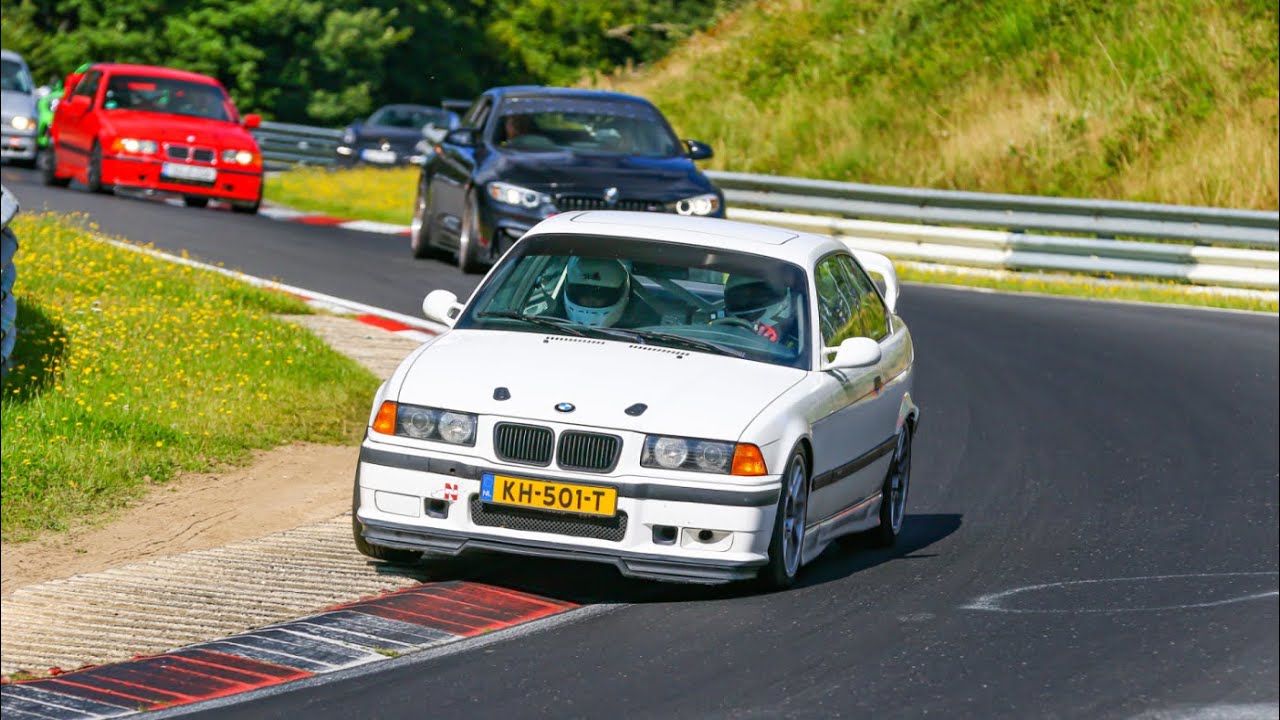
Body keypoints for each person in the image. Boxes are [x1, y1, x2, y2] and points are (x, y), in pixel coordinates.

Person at [722, 273, 799, 347]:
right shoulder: (723, 326)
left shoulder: (798, 335)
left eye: (755, 295)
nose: (747, 301)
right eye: (739, 296)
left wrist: (762, 348)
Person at [564, 258, 631, 327]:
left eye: (599, 295)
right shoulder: (554, 319)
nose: (590, 301)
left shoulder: (639, 330)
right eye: (584, 293)